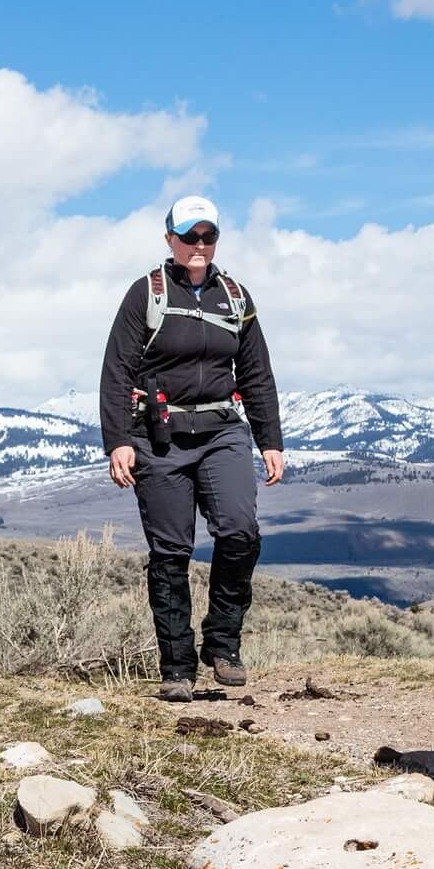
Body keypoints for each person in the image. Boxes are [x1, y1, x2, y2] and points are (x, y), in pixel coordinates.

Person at [99, 196, 286, 700]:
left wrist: (270, 440)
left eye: (208, 237)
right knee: (170, 552)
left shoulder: (236, 297)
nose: (199, 246)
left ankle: (222, 645)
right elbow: (117, 370)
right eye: (189, 237)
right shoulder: (146, 294)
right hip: (158, 438)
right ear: (170, 241)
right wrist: (118, 440)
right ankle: (177, 669)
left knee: (240, 532)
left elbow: (256, 372)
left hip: (223, 431)